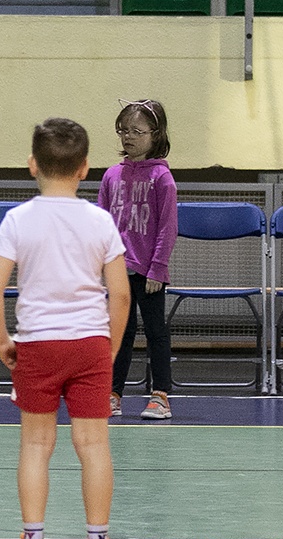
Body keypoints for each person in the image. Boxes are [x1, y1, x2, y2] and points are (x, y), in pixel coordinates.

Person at [0, 118, 131, 539]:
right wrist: (108, 348)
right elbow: (121, 295)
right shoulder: (100, 220)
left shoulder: (18, 220)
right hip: (89, 343)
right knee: (93, 444)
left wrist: (3, 341)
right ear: (85, 168)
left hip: (38, 345)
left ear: (32, 165)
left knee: (35, 444)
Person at [98, 99, 177, 419]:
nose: (128, 137)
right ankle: (112, 393)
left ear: (155, 134)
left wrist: (157, 268)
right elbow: (102, 223)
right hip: (118, 269)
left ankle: (160, 395)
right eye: (123, 130)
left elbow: (168, 227)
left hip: (149, 272)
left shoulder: (162, 179)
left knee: (156, 332)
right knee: (120, 332)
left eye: (137, 131)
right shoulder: (111, 176)